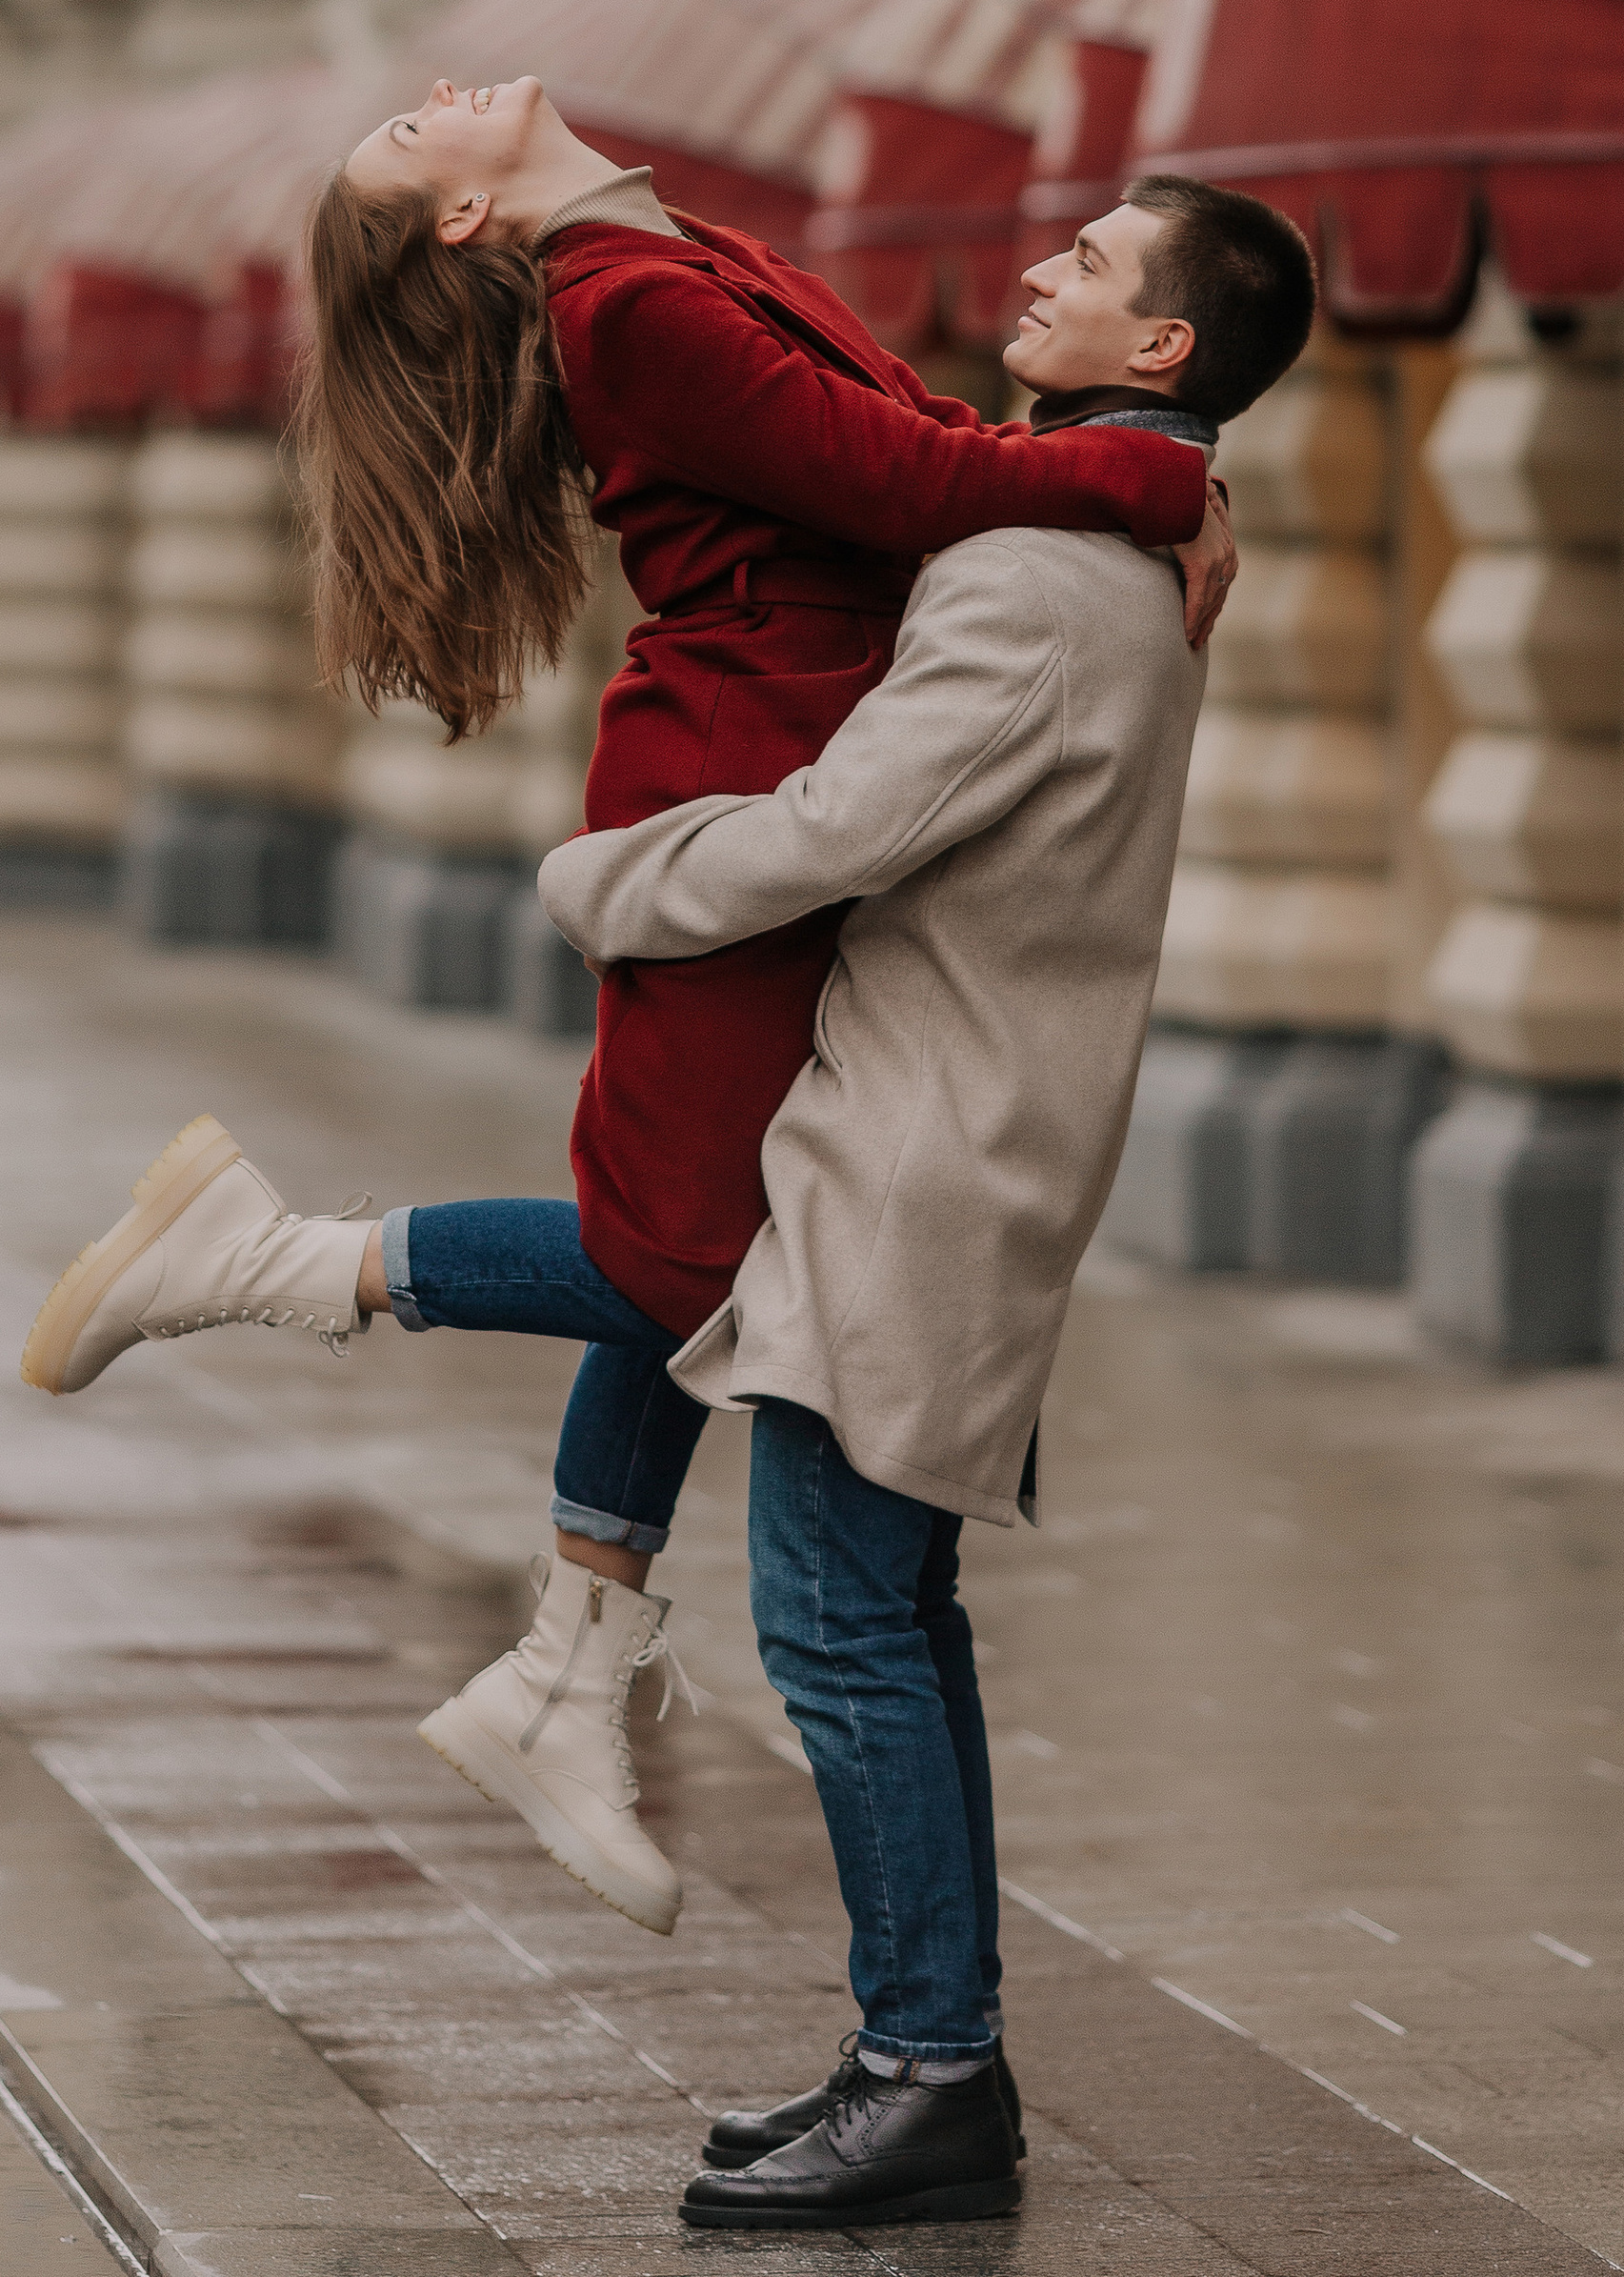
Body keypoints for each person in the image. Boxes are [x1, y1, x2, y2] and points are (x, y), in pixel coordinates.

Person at [26, 77, 1234, 1939]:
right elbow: (913, 486)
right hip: (737, 797)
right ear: (452, 223)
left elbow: (899, 426)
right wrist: (1151, 474)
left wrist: (1159, 474)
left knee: (717, 1254)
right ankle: (276, 1261)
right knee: (689, 1268)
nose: (430, 105)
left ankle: (571, 1675)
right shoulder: (626, 308)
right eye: (407, 146)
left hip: (782, 770)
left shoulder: (673, 248)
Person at [536, 173, 1317, 2229]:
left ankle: (930, 2074)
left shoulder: (1036, 572)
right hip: (956, 1130)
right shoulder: (1089, 532)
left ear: (1162, 352)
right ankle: (921, 2057)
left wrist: (596, 880)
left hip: (922, 1147)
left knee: (838, 1629)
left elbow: (831, 833)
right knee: (887, 1616)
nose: (1037, 262)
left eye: (1091, 263)